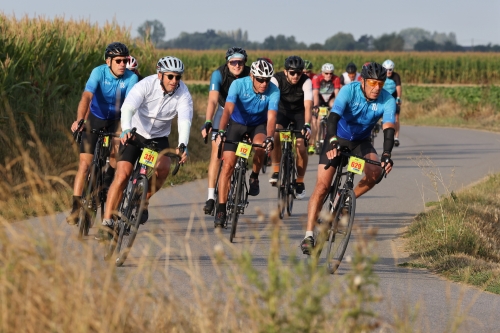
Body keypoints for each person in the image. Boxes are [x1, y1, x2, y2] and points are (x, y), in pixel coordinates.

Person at [300, 62, 396, 254]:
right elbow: (333, 117)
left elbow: (388, 129)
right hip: (337, 137)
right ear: (362, 81)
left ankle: (345, 201)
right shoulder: (348, 90)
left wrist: (386, 154)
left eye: (380, 84)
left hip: (361, 142)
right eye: (372, 83)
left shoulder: (387, 100)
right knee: (322, 186)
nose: (376, 88)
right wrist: (333, 140)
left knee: (376, 171)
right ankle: (309, 235)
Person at [97, 56, 192, 239]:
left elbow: (185, 120)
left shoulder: (183, 94)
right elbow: (128, 108)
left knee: (163, 168)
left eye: (178, 77)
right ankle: (107, 221)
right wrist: (125, 129)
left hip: (158, 138)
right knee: (123, 174)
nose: (175, 81)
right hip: (135, 133)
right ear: (160, 75)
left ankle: (143, 198)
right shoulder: (146, 85)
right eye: (170, 77)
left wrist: (183, 145)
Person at [66, 42, 138, 225]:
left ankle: (107, 182)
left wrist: (125, 129)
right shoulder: (98, 72)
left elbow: (130, 105)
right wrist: (80, 119)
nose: (123, 64)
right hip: (96, 118)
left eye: (126, 60)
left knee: (115, 153)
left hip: (117, 120)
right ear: (109, 61)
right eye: (119, 61)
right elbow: (87, 97)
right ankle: (75, 206)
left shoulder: (131, 78)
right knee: (84, 165)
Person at [213, 59, 279, 228]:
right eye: (260, 79)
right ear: (251, 76)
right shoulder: (238, 85)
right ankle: (221, 207)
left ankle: (254, 176)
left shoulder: (273, 91)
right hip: (237, 123)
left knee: (261, 146)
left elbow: (271, 117)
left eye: (267, 79)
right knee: (228, 165)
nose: (264, 83)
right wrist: (221, 131)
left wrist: (270, 137)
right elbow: (227, 110)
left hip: (258, 125)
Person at [201, 47, 250, 215]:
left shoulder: (250, 74)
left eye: (240, 62)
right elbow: (213, 101)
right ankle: (210, 197)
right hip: (224, 110)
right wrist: (208, 121)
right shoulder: (219, 74)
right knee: (217, 150)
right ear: (227, 62)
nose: (237, 65)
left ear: (245, 63)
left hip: (243, 114)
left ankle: (239, 168)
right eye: (233, 62)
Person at [268, 55, 312, 199]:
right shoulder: (276, 79)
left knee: (301, 146)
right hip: (282, 112)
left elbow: (308, 105)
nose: (295, 76)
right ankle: (275, 169)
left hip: (299, 114)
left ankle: (299, 181)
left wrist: (307, 125)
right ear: (285, 71)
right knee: (275, 133)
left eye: (299, 72)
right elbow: (272, 104)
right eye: (292, 72)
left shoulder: (306, 81)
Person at [310, 63, 341, 154]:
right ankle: (317, 141)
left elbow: (337, 94)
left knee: (333, 104)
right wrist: (316, 105)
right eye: (326, 73)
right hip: (320, 99)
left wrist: (338, 107)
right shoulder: (317, 78)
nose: (329, 75)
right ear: (322, 73)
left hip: (330, 99)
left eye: (331, 73)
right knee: (319, 121)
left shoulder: (336, 79)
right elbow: (315, 94)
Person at [382, 59, 402, 147]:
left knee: (396, 117)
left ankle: (396, 138)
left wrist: (398, 98)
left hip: (393, 98)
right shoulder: (381, 76)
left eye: (390, 70)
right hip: (383, 97)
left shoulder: (396, 76)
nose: (388, 72)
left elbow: (398, 87)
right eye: (386, 70)